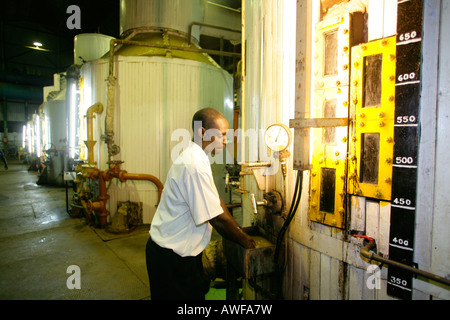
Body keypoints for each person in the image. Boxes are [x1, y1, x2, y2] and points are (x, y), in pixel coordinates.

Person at [146, 107, 255, 300]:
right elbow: (217, 219)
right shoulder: (193, 164)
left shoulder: (198, 157)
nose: (226, 140)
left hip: (178, 252)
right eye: (221, 135)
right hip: (171, 258)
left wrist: (239, 230)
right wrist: (248, 243)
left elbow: (216, 202)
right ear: (202, 132)